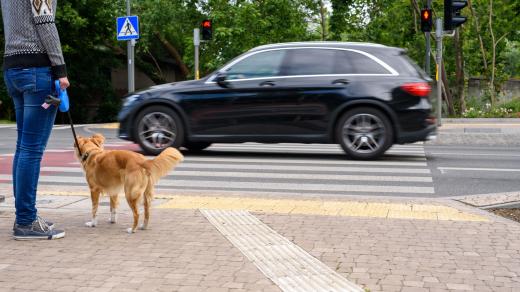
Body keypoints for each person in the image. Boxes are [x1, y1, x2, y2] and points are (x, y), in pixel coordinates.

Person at [1, 0, 69, 240]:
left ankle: (25, 216)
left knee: (23, 148)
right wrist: (60, 69)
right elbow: (46, 23)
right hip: (37, 70)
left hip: (13, 69)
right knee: (32, 150)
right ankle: (26, 221)